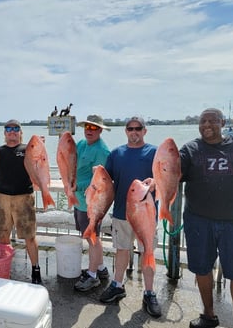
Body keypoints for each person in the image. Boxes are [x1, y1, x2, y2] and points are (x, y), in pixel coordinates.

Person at [179, 108, 233, 328]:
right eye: (202, 120)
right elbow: (171, 172)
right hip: (198, 221)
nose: (207, 124)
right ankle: (209, 315)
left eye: (212, 120)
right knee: (202, 269)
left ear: (222, 122)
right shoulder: (190, 149)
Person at [99, 116, 162, 318]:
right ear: (125, 131)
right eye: (130, 128)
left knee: (148, 251)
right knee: (122, 250)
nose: (134, 132)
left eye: (138, 128)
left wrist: (155, 183)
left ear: (145, 131)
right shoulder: (116, 153)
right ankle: (117, 285)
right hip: (121, 213)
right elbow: (105, 182)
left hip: (146, 215)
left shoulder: (154, 152)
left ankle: (149, 292)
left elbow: (167, 179)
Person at [0, 119, 42, 284]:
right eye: (8, 128)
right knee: (3, 236)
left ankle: (36, 269)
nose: (12, 131)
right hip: (2, 198)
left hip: (24, 198)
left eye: (16, 128)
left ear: (21, 133)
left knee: (29, 236)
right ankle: (4, 267)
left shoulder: (27, 149)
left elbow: (40, 165)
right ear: (5, 133)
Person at [73, 115, 111, 291]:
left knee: (92, 239)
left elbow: (100, 182)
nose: (89, 130)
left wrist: (76, 186)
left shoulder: (102, 151)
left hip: (91, 204)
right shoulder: (81, 144)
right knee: (90, 237)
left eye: (94, 128)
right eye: (88, 126)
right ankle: (101, 268)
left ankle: (92, 275)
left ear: (101, 130)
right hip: (80, 201)